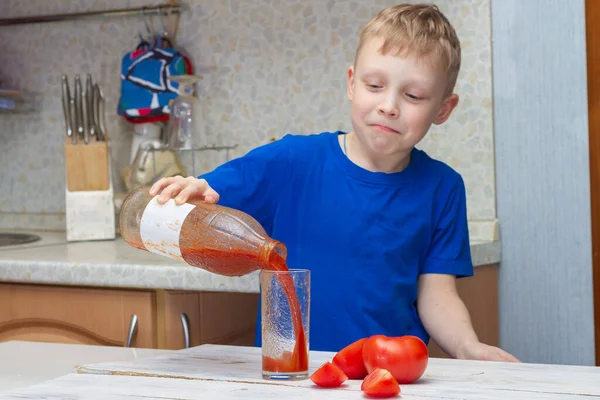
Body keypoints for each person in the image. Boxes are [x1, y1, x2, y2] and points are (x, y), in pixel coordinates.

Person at [150, 3, 519, 362]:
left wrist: (468, 346)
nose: (389, 105)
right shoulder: (291, 161)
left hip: (388, 379)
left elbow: (437, 294)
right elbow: (208, 198)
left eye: (413, 95)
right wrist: (194, 192)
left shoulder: (443, 187)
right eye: (374, 85)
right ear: (351, 83)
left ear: (443, 109)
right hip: (293, 376)